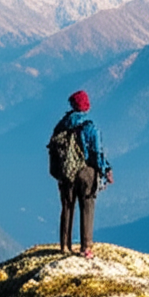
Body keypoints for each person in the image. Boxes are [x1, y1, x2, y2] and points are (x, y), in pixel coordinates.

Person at [52, 90, 112, 258]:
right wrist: (106, 170)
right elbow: (96, 153)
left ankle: (64, 245)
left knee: (67, 208)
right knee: (87, 207)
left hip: (66, 173)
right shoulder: (90, 127)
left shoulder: (62, 124)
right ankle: (86, 248)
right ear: (86, 106)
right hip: (86, 172)